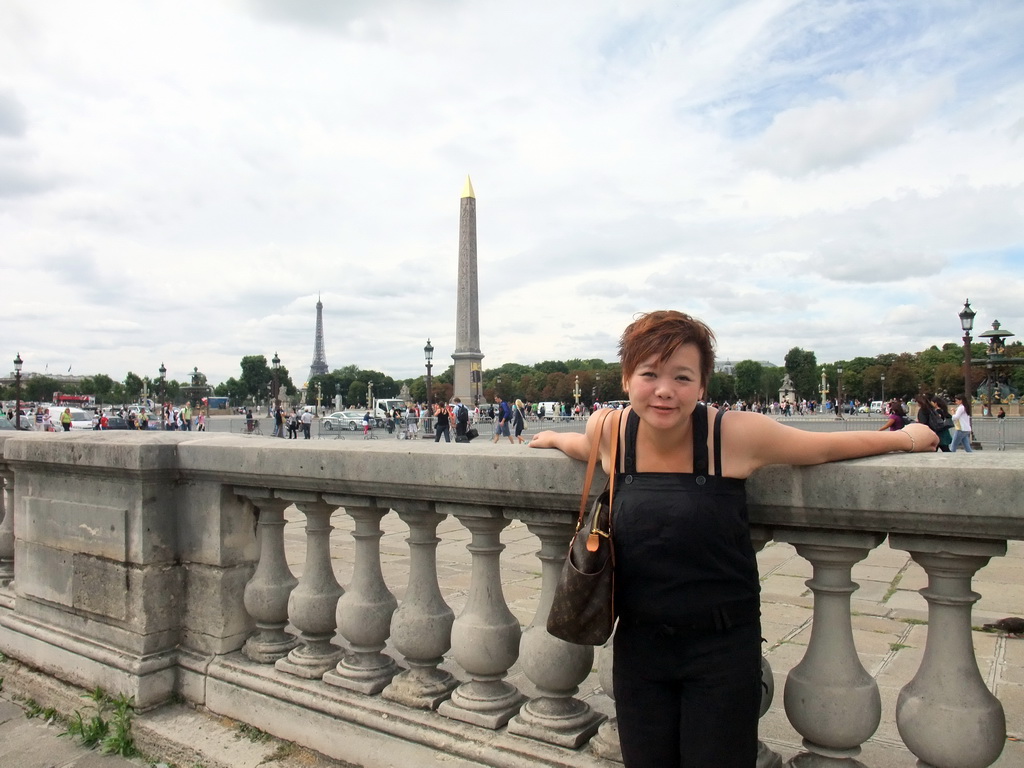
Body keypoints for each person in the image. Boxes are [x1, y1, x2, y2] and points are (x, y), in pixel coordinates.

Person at [528, 310, 937, 768]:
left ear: (703, 386)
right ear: (627, 379)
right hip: (638, 646)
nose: (664, 390)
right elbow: (590, 452)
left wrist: (907, 439)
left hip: (720, 651)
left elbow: (821, 448)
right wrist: (553, 437)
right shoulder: (611, 429)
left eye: (682, 377)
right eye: (649, 374)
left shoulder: (733, 434)